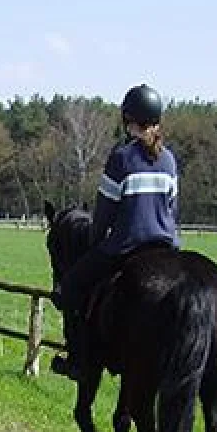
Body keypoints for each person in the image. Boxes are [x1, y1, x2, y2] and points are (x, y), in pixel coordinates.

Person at [50, 83, 180, 380]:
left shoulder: (121, 158)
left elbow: (104, 213)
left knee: (69, 287)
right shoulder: (169, 159)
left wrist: (95, 245)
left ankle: (78, 361)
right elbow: (173, 210)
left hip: (126, 246)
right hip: (167, 247)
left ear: (128, 120)